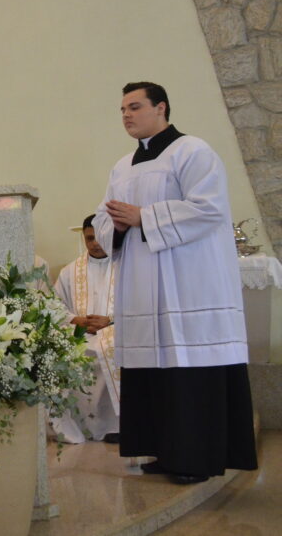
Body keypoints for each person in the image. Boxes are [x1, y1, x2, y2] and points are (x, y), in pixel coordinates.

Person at [93, 81, 257, 484]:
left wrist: (143, 217)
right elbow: (102, 218)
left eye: (135, 107)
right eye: (122, 109)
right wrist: (114, 222)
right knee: (155, 374)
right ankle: (166, 452)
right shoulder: (121, 166)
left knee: (187, 371)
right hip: (143, 289)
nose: (126, 115)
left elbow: (209, 208)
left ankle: (196, 459)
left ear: (161, 108)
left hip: (187, 284)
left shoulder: (194, 152)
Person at [51, 214, 119, 444]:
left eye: (100, 238)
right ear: (83, 237)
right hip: (80, 333)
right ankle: (81, 425)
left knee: (112, 351)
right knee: (69, 354)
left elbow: (140, 304)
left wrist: (110, 320)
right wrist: (77, 320)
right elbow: (54, 307)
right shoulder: (69, 271)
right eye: (90, 238)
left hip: (116, 332)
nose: (95, 243)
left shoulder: (126, 266)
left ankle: (116, 426)